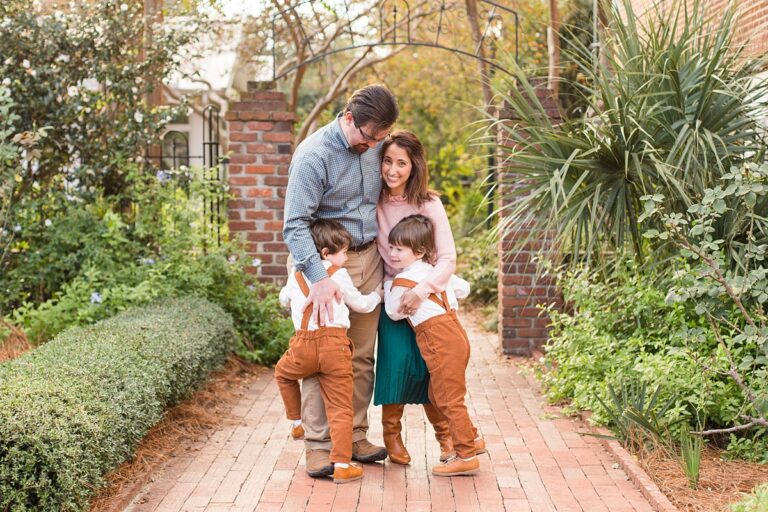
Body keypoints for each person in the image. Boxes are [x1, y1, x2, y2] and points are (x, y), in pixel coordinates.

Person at [283, 84, 398, 477]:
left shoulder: (375, 143)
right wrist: (318, 276)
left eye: (380, 139)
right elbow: (294, 225)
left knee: (361, 356)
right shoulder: (314, 156)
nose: (374, 147)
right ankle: (318, 446)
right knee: (321, 358)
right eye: (369, 138)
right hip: (326, 263)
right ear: (349, 118)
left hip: (368, 259)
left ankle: (354, 433)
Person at [374, 130, 473, 464]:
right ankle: (392, 435)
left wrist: (421, 291)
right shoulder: (373, 202)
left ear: (414, 166)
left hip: (425, 297)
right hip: (392, 294)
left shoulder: (429, 203)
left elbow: (447, 259)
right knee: (396, 365)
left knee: (434, 373)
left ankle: (449, 439)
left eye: (401, 163)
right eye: (387, 161)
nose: (393, 170)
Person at [275, 219, 382, 484]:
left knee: (283, 375)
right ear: (326, 254)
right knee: (341, 407)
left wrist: (290, 297)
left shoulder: (296, 274)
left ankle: (296, 422)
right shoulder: (338, 274)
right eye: (344, 252)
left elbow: (284, 298)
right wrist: (377, 295)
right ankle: (344, 464)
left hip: (303, 347)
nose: (346, 257)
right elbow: (361, 305)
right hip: (335, 348)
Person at [384, 214, 480, 476]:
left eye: (399, 249)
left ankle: (466, 454)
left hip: (438, 342)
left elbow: (394, 312)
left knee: (449, 399)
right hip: (457, 334)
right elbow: (464, 289)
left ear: (420, 251)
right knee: (439, 394)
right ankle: (472, 437)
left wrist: (386, 285)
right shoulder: (435, 273)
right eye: (391, 247)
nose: (392, 253)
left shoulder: (401, 283)